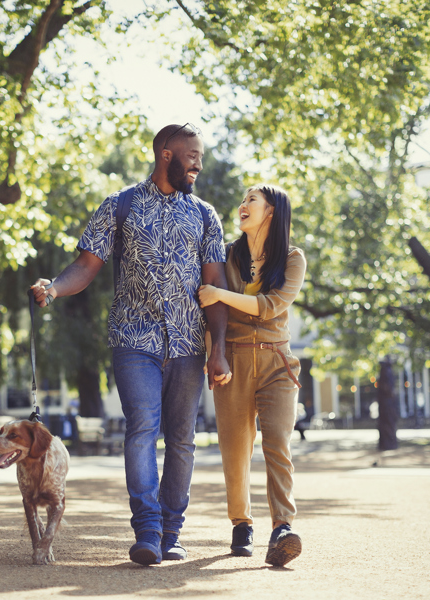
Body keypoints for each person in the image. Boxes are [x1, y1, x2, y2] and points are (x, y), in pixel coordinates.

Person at [31, 123, 232, 565]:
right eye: (192, 155)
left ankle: (172, 533)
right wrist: (54, 289)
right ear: (166, 154)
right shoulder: (119, 206)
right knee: (142, 428)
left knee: (181, 438)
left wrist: (218, 349)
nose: (198, 163)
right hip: (133, 338)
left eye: (200, 156)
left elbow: (214, 285)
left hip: (186, 342)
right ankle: (148, 530)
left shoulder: (204, 215)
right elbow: (86, 266)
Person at [198, 183, 307, 567]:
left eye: (251, 200)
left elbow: (271, 305)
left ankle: (282, 527)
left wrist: (220, 294)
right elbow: (213, 316)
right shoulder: (226, 255)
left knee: (277, 443)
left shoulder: (293, 259)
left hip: (278, 363)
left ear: (272, 211)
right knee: (235, 448)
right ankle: (241, 523)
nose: (242, 205)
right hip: (233, 360)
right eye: (242, 199)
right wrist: (215, 355)